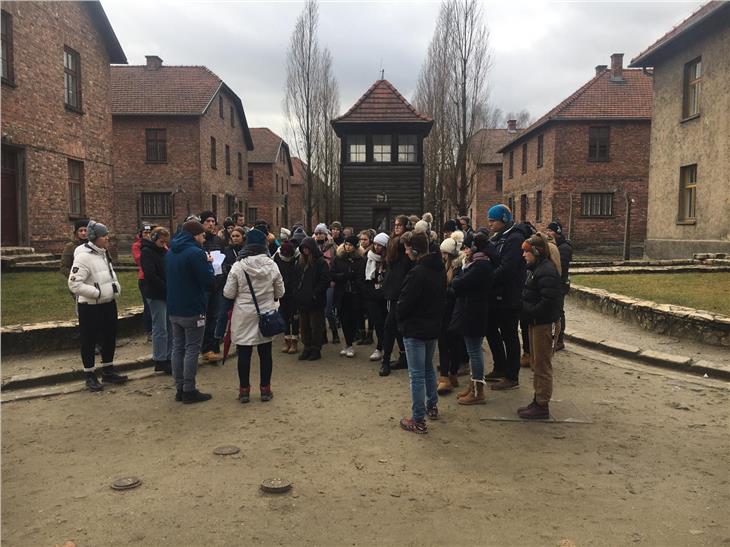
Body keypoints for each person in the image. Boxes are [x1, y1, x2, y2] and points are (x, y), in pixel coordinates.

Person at [224, 228, 285, 403]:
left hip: (243, 314)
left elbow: (228, 293)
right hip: (265, 313)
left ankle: (244, 390)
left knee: (244, 353)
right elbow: (280, 291)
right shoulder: (272, 265)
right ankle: (265, 389)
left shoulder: (238, 266)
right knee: (265, 353)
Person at [68, 220, 127, 391]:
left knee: (110, 336)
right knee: (89, 339)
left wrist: (115, 288)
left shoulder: (103, 252)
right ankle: (90, 374)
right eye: (104, 236)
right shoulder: (83, 257)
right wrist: (97, 293)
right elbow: (74, 284)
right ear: (95, 238)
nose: (107, 238)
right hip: (90, 306)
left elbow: (109, 274)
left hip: (108, 303)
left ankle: (108, 370)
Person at [397, 231, 447, 434]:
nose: (406, 252)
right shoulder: (439, 268)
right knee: (427, 369)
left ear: (414, 249)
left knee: (416, 375)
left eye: (408, 249)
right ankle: (431, 405)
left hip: (416, 328)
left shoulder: (418, 272)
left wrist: (400, 316)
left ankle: (417, 419)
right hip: (432, 326)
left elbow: (406, 302)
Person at [166, 220, 215, 403]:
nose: (203, 238)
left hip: (174, 307)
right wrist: (209, 264)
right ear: (195, 235)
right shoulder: (196, 253)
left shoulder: (171, 251)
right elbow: (208, 280)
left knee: (177, 348)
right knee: (192, 348)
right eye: (202, 235)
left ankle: (179, 387)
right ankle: (189, 389)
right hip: (193, 307)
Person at [484, 204, 531, 390]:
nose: (490, 224)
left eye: (493, 220)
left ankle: (511, 376)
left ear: (503, 219)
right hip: (497, 294)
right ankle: (500, 366)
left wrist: (488, 278)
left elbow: (508, 268)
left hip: (509, 295)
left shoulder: (514, 238)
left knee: (509, 335)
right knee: (491, 329)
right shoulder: (500, 237)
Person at [518, 233, 562, 419]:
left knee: (542, 365)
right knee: (536, 363)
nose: (523, 255)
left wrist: (529, 309)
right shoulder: (537, 269)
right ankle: (537, 399)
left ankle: (542, 404)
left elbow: (548, 301)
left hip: (542, 324)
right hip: (536, 322)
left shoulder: (546, 271)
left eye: (526, 251)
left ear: (537, 251)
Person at [450, 232, 496, 405]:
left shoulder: (480, 266)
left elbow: (458, 283)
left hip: (474, 313)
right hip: (472, 311)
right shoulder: (476, 264)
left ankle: (478, 391)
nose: (465, 251)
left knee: (474, 352)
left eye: (468, 247)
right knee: (473, 351)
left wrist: (457, 278)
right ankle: (473, 385)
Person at [379, 215, 412, 376]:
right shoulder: (392, 243)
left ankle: (391, 359)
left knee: (393, 325)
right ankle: (392, 358)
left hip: (403, 289)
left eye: (400, 225)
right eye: (396, 224)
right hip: (393, 289)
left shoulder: (406, 245)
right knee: (392, 325)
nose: (397, 227)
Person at [140, 227, 172, 374]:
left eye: (165, 241)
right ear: (154, 239)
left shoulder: (165, 252)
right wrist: (166, 287)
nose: (163, 243)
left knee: (169, 326)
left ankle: (168, 356)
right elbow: (150, 275)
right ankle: (160, 359)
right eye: (161, 241)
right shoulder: (147, 252)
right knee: (160, 328)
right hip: (156, 294)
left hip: (166, 293)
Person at [436, 230, 465, 395]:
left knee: (452, 344)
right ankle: (445, 375)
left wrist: (445, 291)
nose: (442, 256)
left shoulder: (459, 269)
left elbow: (456, 289)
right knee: (444, 343)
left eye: (444, 253)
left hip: (454, 310)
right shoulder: (445, 267)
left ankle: (450, 374)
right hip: (445, 310)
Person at [295, 237, 330, 361]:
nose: (305, 250)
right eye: (303, 248)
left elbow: (325, 280)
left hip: (315, 301)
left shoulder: (320, 262)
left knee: (316, 326)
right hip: (303, 301)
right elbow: (297, 280)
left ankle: (316, 349)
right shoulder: (300, 262)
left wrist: (315, 293)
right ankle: (307, 347)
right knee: (304, 326)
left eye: (307, 248)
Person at [330, 235, 365, 358]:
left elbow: (362, 276)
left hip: (355, 294)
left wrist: (355, 278)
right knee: (344, 319)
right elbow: (333, 274)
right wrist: (345, 276)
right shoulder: (338, 258)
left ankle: (351, 343)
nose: (347, 247)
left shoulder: (360, 259)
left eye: (350, 245)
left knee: (353, 319)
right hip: (342, 293)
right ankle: (348, 344)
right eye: (346, 244)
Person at [199, 211, 226, 361]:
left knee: (216, 317)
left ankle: (214, 347)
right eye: (207, 221)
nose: (210, 224)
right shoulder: (199, 241)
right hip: (204, 285)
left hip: (217, 284)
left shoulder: (219, 241)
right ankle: (205, 348)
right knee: (203, 318)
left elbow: (224, 259)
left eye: (213, 221)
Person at [362, 232, 389, 363]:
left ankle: (384, 347)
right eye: (376, 244)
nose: (377, 247)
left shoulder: (388, 260)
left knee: (385, 322)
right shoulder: (368, 258)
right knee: (377, 322)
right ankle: (379, 347)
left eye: (380, 245)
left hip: (384, 295)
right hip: (372, 295)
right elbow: (364, 277)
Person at [546, 221, 572, 351]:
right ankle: (554, 338)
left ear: (557, 232)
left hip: (560, 284)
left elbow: (561, 267)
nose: (548, 233)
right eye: (548, 231)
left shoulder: (564, 248)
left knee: (559, 312)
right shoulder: (554, 246)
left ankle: (560, 340)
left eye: (550, 231)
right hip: (555, 284)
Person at [314, 223, 339, 344]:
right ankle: (323, 335)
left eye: (321, 233)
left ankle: (335, 333)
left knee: (328, 310)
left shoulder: (333, 246)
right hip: (317, 282)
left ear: (325, 234)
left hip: (330, 282)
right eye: (317, 233)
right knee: (319, 310)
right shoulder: (313, 245)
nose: (318, 235)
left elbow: (336, 262)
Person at [274, 240, 300, 354]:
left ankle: (294, 340)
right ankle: (287, 339)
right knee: (284, 315)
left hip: (294, 291)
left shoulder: (297, 258)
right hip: (282, 290)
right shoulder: (277, 258)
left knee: (294, 316)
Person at [132, 224, 154, 339]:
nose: (148, 235)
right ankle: (149, 330)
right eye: (145, 233)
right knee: (148, 305)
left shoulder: (155, 244)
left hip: (156, 277)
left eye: (149, 233)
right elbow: (139, 260)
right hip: (144, 277)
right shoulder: (137, 246)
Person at [355, 229, 376, 346]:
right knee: (360, 311)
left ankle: (369, 335)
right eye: (361, 239)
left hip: (369, 285)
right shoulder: (359, 251)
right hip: (360, 284)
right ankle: (362, 335)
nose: (362, 241)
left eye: (365, 239)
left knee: (370, 312)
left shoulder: (371, 253)